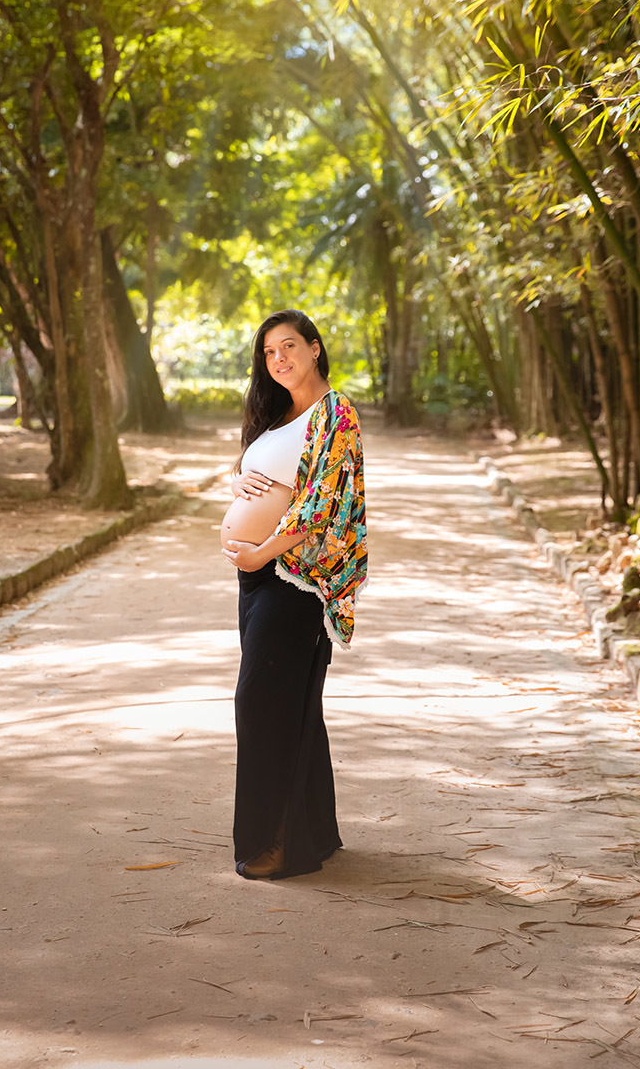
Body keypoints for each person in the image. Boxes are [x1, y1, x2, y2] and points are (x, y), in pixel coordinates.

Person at [221, 309, 367, 880]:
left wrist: (265, 550)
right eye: (268, 352)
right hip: (257, 577)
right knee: (292, 702)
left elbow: (328, 507)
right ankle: (316, 835)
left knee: (259, 703)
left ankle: (275, 844)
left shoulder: (338, 414)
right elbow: (262, 477)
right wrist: (238, 482)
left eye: (288, 347)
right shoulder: (280, 415)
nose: (278, 359)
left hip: (294, 577)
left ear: (314, 347)